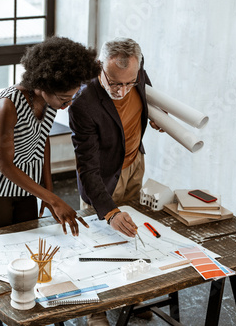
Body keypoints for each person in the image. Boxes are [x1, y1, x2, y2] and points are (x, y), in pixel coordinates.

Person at [0, 36, 100, 325]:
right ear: (42, 85)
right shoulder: (8, 104)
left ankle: (25, 311)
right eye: (64, 99)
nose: (67, 105)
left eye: (72, 97)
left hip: (27, 183)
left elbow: (43, 143)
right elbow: (5, 165)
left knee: (26, 249)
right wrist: (52, 198)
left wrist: (47, 193)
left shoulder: (50, 101)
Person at [69, 37, 162, 325]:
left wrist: (154, 113)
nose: (122, 91)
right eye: (114, 83)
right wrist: (109, 212)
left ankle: (133, 297)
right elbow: (87, 169)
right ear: (101, 67)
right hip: (103, 176)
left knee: (132, 235)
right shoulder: (82, 104)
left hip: (135, 163)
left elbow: (144, 91)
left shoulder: (138, 71)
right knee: (96, 244)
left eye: (129, 83)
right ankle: (95, 310)